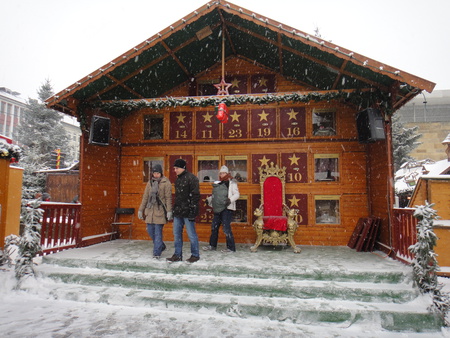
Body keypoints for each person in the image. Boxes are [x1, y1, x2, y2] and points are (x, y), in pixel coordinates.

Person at [167, 158, 201, 263]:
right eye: (174, 168)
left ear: (183, 168)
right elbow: (178, 197)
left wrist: (192, 210)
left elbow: (196, 196)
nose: (175, 170)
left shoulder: (192, 179)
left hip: (188, 211)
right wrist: (174, 210)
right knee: (176, 233)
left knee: (191, 234)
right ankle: (177, 255)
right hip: (178, 212)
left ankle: (195, 255)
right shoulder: (178, 180)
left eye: (177, 168)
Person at [138, 164, 172, 259]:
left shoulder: (166, 183)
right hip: (150, 211)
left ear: (161, 173)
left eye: (157, 173)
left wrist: (169, 211)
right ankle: (161, 245)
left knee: (158, 233)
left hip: (160, 211)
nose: (156, 175)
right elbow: (145, 197)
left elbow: (168, 198)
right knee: (150, 230)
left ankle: (156, 253)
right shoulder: (150, 183)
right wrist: (141, 210)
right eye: (154, 173)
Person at [203, 165, 239, 253]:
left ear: (227, 173)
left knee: (226, 228)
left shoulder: (232, 183)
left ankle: (231, 248)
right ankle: (212, 245)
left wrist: (230, 200)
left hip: (227, 208)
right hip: (218, 208)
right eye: (221, 173)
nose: (222, 174)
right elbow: (216, 196)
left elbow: (237, 194)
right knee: (214, 227)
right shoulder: (218, 183)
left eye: (224, 173)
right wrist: (209, 200)